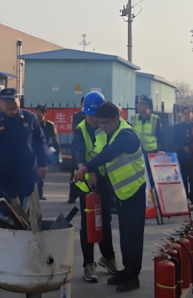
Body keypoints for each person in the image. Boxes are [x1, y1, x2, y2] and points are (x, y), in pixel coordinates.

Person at [75, 102, 146, 292]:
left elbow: (108, 154)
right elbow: (97, 152)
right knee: (124, 234)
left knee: (133, 236)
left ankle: (133, 277)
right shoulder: (108, 132)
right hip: (121, 192)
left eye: (106, 122)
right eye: (100, 122)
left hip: (134, 190)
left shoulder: (127, 134)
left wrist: (86, 168)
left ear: (117, 118)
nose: (102, 126)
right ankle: (126, 270)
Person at [72, 92, 121, 283]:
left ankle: (108, 257)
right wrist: (82, 168)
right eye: (89, 115)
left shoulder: (106, 128)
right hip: (85, 183)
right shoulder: (80, 129)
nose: (93, 120)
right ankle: (88, 264)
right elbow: (78, 151)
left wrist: (94, 172)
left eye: (96, 115)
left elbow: (105, 153)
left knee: (105, 221)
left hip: (104, 181)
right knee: (88, 223)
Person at [0, 88, 48, 208]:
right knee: (5, 208)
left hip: (28, 171)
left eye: (13, 102)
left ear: (19, 101)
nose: (10, 106)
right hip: (5, 172)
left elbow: (40, 141)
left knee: (29, 208)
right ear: (0, 103)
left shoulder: (30, 118)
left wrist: (42, 164)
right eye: (7, 102)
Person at [34, 105, 61, 200]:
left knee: (41, 172)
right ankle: (30, 193)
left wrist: (57, 151)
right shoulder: (32, 123)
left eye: (39, 112)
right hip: (31, 151)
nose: (37, 114)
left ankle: (39, 194)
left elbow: (54, 138)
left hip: (42, 151)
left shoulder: (49, 125)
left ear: (44, 113)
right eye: (36, 112)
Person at [174, 107, 193, 204]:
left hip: (192, 155)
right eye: (185, 113)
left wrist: (190, 147)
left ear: (192, 115)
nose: (187, 115)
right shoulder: (178, 127)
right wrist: (183, 146)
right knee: (183, 177)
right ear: (182, 115)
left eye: (188, 113)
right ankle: (184, 196)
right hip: (181, 155)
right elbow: (175, 139)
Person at [67, 97, 86, 203]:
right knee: (75, 172)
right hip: (78, 147)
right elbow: (76, 130)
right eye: (84, 103)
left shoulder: (96, 116)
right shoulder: (77, 116)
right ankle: (72, 195)